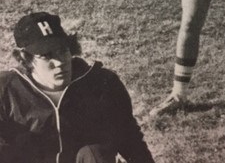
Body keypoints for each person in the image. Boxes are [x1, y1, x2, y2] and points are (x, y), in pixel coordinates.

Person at [0, 11, 156, 163]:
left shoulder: (102, 83)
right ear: (25, 58)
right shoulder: (6, 91)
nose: (59, 62)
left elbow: (129, 138)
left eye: (62, 51)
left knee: (94, 154)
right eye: (46, 56)